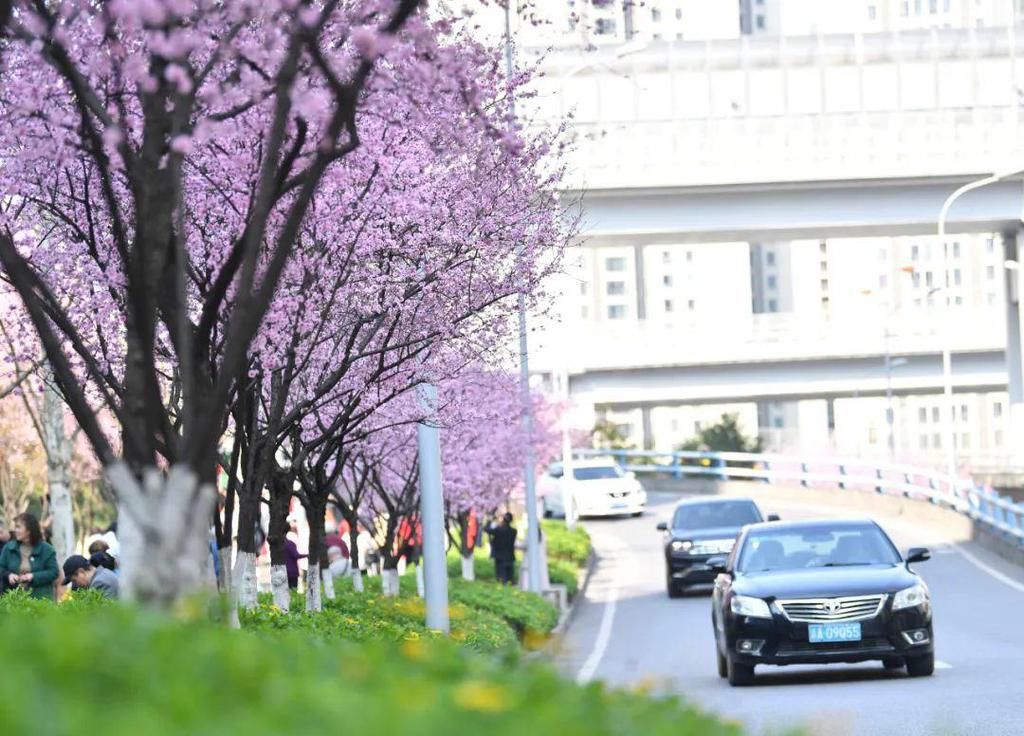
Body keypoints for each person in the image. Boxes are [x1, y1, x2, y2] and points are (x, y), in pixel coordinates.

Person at [0, 512, 59, 599]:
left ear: (29, 530)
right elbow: (1, 568)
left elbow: (54, 572)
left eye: (18, 527)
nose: (15, 530)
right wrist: (9, 575)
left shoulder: (47, 549)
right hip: (14, 601)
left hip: (40, 601)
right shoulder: (9, 548)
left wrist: (33, 576)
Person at [485, 512, 518, 585]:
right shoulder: (514, 531)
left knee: (502, 580)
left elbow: (487, 529)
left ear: (503, 520)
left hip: (500, 558)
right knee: (510, 580)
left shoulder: (498, 530)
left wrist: (490, 520)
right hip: (510, 557)